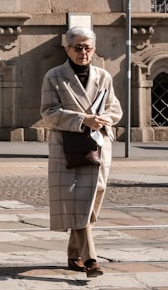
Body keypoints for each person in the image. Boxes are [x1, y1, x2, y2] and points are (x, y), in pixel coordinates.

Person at [40, 26, 123, 278]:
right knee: (78, 204)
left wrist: (103, 119)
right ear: (67, 49)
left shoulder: (104, 76)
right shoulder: (53, 76)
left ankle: (73, 255)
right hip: (67, 149)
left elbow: (115, 109)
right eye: (78, 48)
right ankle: (91, 260)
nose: (83, 53)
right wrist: (82, 119)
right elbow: (48, 113)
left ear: (94, 49)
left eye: (88, 48)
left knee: (92, 203)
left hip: (97, 147)